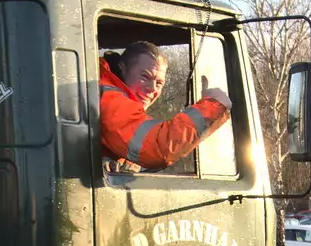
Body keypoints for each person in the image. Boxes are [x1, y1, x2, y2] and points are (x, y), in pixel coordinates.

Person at [99, 41, 231, 172]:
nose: (152, 89)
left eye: (159, 83)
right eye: (145, 77)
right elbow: (156, 147)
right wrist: (212, 107)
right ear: (122, 68)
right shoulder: (106, 93)